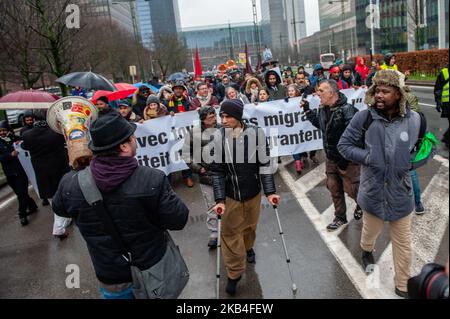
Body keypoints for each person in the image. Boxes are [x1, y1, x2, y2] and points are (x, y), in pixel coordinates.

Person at [52, 112, 189, 299]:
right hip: (153, 269)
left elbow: (59, 209)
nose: (135, 140)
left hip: (110, 276)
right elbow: (178, 219)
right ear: (124, 147)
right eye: (132, 137)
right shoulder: (151, 178)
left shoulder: (70, 183)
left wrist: (76, 171)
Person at [338, 69, 436, 298]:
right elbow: (344, 146)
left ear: (399, 94)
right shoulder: (364, 118)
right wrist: (368, 157)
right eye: (377, 90)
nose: (379, 95)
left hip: (401, 194)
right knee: (370, 233)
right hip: (372, 193)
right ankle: (366, 250)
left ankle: (402, 284)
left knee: (403, 244)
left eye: (386, 91)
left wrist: (411, 163)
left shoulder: (416, 120)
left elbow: (428, 146)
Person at [210, 99, 280, 296]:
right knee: (230, 235)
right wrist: (219, 200)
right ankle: (234, 273)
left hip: (253, 193)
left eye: (228, 116)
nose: (223, 120)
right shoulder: (218, 137)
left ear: (238, 117)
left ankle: (249, 247)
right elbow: (216, 171)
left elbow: (264, 164)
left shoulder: (256, 134)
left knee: (249, 227)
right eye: (221, 116)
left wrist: (270, 191)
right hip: (231, 196)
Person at [302, 79, 363, 231]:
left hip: (347, 161)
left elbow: (356, 136)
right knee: (334, 188)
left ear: (332, 92)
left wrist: (344, 158)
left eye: (321, 91)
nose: (318, 93)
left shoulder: (348, 110)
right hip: (331, 159)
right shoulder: (322, 109)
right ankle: (340, 217)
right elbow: (321, 125)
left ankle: (362, 205)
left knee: (354, 190)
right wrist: (308, 111)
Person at [21, 110, 71, 239]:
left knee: (51, 198)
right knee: (61, 196)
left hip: (41, 171)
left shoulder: (27, 135)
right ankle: (59, 227)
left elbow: (24, 147)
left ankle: (63, 220)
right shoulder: (57, 132)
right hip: (59, 169)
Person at [182, 106, 220, 248]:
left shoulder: (223, 128)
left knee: (230, 203)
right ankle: (214, 233)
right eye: (211, 117)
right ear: (203, 119)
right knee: (211, 205)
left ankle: (230, 231)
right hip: (206, 176)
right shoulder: (193, 133)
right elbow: (186, 154)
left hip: (225, 174)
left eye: (215, 115)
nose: (214, 118)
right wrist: (199, 169)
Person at [0, 121, 38, 226]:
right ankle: (32, 205)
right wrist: (10, 155)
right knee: (21, 194)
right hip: (10, 174)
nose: (2, 133)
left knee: (21, 195)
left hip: (21, 171)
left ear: (8, 130)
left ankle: (22, 215)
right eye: (0, 131)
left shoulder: (16, 138)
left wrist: (20, 143)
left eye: (4, 130)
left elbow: (26, 147)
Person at [434, 65, 449, 148]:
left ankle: (446, 138)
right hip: (447, 102)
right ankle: (447, 139)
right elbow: (438, 89)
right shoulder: (443, 72)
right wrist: (438, 102)